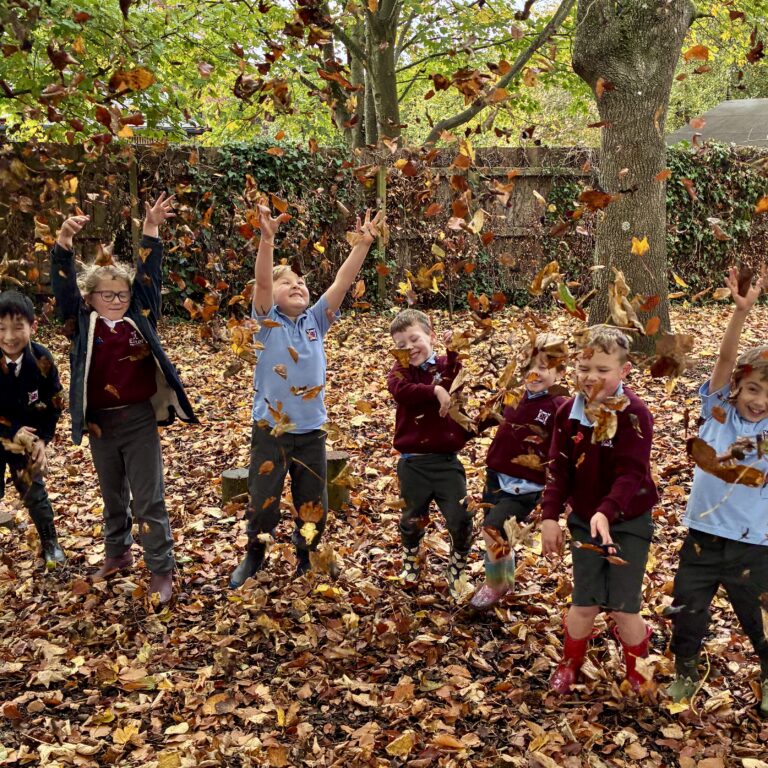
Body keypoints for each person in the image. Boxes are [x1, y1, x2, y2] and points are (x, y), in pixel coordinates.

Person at [50, 194, 197, 605]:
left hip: (137, 420)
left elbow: (149, 277)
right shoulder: (82, 325)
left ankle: (161, 567)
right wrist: (63, 242)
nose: (116, 301)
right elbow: (61, 288)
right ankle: (117, 554)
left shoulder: (138, 319)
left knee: (149, 498)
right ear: (89, 298)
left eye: (121, 294)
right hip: (100, 423)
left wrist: (150, 230)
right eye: (106, 295)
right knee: (112, 495)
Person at [230, 206, 385, 588]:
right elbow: (263, 284)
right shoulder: (266, 323)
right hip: (271, 431)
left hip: (312, 431)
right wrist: (266, 240)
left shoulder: (316, 321)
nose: (298, 286)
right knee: (263, 500)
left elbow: (342, 283)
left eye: (302, 283)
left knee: (312, 502)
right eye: (289, 284)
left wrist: (362, 245)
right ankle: (255, 554)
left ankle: (307, 555)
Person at [667, 267, 768, 715]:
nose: (759, 400)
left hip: (756, 547)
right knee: (688, 610)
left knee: (760, 623)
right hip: (704, 539)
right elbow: (725, 361)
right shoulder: (718, 412)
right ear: (738, 387)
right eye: (752, 389)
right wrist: (739, 315)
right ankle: (686, 668)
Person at [540, 325, 658, 693]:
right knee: (584, 603)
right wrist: (549, 516)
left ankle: (637, 669)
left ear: (624, 372)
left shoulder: (635, 414)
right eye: (584, 368)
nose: (591, 377)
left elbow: (631, 472)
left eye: (603, 371)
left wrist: (606, 511)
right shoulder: (567, 414)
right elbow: (558, 466)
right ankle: (570, 661)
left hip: (628, 520)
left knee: (624, 608)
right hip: (584, 520)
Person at [470, 333, 568, 611]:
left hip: (526, 486)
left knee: (492, 529)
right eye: (528, 367)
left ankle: (495, 584)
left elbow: (566, 450)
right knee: (494, 530)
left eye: (544, 367)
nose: (534, 373)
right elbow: (488, 421)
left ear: (560, 372)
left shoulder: (559, 407)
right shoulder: (512, 395)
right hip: (496, 477)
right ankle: (505, 578)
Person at [387, 308, 474, 598]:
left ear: (431, 336)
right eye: (401, 345)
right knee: (412, 517)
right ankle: (411, 558)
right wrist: (433, 391)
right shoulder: (400, 371)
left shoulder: (446, 363)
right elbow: (402, 391)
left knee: (460, 517)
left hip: (447, 462)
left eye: (415, 339)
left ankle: (458, 565)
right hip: (413, 463)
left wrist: (454, 351)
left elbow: (455, 380)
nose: (409, 348)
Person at [0, 290, 66, 568]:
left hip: (27, 440)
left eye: (18, 327)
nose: (9, 336)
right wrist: (13, 429)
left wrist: (44, 440)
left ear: (33, 326)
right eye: (1, 328)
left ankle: (50, 541)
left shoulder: (42, 360)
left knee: (34, 492)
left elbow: (55, 403)